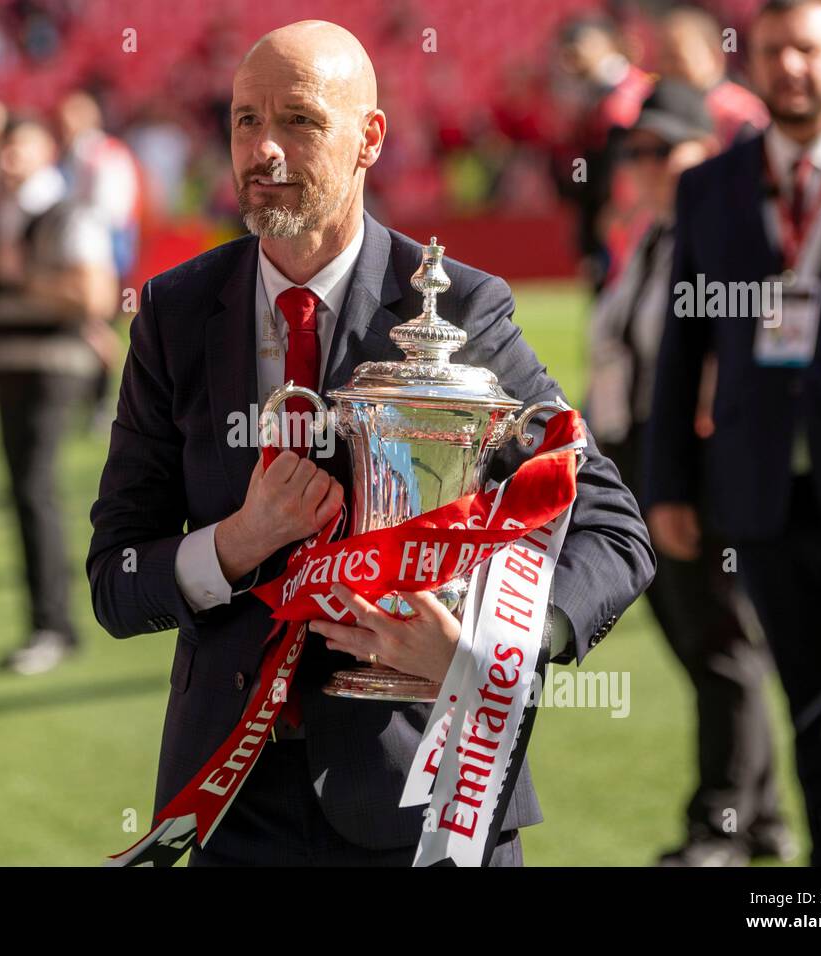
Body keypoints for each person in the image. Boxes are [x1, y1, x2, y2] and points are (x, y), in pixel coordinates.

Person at [89, 20, 654, 867]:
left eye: (301, 121)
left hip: (428, 800)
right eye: (246, 120)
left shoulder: (459, 308)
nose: (264, 149)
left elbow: (610, 522)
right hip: (229, 806)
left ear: (370, 138)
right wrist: (241, 542)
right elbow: (115, 579)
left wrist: (488, 652)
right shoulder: (173, 313)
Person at [647, 0, 821, 866]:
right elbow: (681, 343)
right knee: (813, 701)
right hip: (763, 489)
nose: (790, 67)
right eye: (772, 52)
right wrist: (668, 482)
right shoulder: (712, 184)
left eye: (807, 49)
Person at [588, 80, 792, 866]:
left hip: (697, 461)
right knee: (698, 643)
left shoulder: (731, 235)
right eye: (635, 151)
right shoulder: (647, 239)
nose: (644, 163)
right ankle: (763, 820)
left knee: (720, 645)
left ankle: (722, 826)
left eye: (661, 149)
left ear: (708, 152)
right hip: (638, 455)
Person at [0, 118, 118, 675]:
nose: (7, 157)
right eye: (2, 147)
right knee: (23, 490)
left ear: (46, 150)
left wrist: (22, 277)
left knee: (34, 490)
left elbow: (95, 293)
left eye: (19, 145)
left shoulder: (68, 212)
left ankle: (52, 626)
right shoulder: (3, 213)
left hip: (53, 368)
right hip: (12, 366)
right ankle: (47, 623)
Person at [56, 90, 142, 429]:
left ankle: (104, 401)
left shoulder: (98, 154)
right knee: (91, 326)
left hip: (100, 250)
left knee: (97, 326)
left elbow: (113, 211)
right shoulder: (85, 154)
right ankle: (95, 399)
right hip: (95, 248)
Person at [554, 16, 653, 291]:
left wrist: (611, 213)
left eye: (576, 47)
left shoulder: (627, 96)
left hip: (626, 224)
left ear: (605, 44)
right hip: (610, 222)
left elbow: (616, 166)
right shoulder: (594, 96)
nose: (568, 57)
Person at [657, 6, 770, 147]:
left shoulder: (739, 113)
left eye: (676, 58)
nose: (667, 67)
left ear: (715, 56)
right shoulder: (660, 104)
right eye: (663, 58)